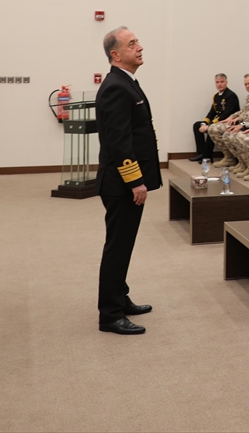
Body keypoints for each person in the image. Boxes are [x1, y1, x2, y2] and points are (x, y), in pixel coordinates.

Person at [95, 27, 162, 335]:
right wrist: (135, 181)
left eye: (137, 42)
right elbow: (119, 141)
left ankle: (119, 298)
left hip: (126, 181)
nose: (140, 47)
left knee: (124, 244)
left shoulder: (126, 82)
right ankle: (109, 314)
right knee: (118, 247)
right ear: (116, 54)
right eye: (132, 43)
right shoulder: (115, 87)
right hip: (121, 184)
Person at [208, 74, 249, 167]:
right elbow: (244, 111)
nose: (247, 86)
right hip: (244, 123)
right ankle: (229, 158)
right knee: (213, 128)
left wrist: (241, 123)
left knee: (222, 131)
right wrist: (232, 117)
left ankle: (247, 164)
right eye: (246, 84)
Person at [191, 73, 239, 162]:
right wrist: (204, 123)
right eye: (217, 82)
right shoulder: (216, 96)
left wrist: (211, 124)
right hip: (219, 121)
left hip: (228, 122)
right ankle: (201, 153)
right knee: (197, 125)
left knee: (212, 128)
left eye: (222, 82)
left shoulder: (231, 95)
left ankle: (207, 156)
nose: (219, 84)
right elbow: (212, 112)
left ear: (226, 82)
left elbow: (227, 114)